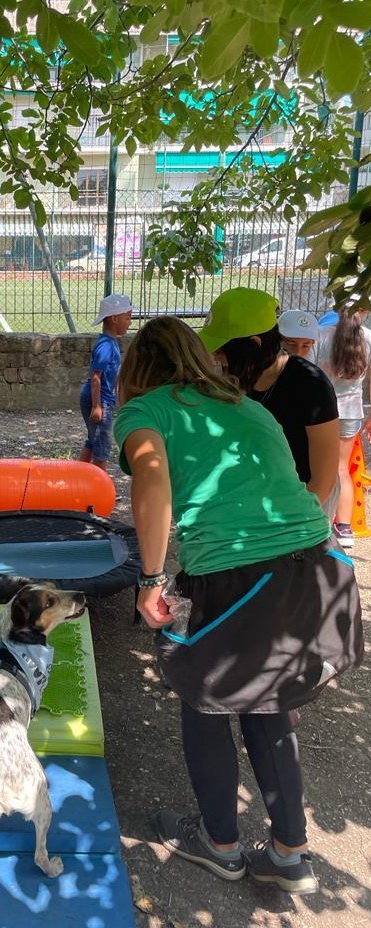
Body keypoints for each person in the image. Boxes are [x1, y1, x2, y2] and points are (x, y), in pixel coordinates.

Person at [114, 316, 362, 895]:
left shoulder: (146, 410)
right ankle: (289, 852)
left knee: (204, 695)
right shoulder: (247, 406)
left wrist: (150, 578)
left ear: (138, 370)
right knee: (266, 699)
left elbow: (151, 478)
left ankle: (220, 844)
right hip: (317, 567)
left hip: (238, 573)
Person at [200, 288, 339, 516]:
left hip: (305, 502)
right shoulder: (238, 379)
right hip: (258, 498)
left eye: (222, 350)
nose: (216, 356)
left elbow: (323, 480)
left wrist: (296, 520)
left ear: (254, 344)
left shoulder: (311, 385)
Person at [313, 309, 371, 549]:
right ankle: (345, 528)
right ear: (364, 311)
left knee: (317, 467)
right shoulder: (368, 337)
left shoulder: (320, 334)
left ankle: (319, 523)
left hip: (321, 409)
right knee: (341, 469)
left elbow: (309, 371)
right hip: (351, 411)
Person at [79, 293, 135, 470]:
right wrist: (97, 406)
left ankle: (75, 478)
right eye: (127, 318)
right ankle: (100, 485)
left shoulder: (110, 342)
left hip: (102, 399)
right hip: (99, 401)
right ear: (114, 319)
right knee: (101, 449)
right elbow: (96, 376)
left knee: (93, 442)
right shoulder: (106, 346)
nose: (130, 323)